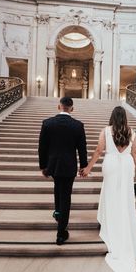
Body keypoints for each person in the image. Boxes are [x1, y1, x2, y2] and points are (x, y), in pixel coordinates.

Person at [81, 106, 136, 272]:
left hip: (112, 164)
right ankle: (123, 226)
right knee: (125, 198)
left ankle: (110, 225)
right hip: (127, 165)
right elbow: (135, 152)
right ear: (125, 117)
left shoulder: (106, 131)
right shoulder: (132, 132)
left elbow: (99, 151)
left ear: (112, 117)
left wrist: (88, 168)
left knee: (110, 195)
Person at [38, 97, 88, 245]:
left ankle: (58, 214)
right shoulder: (78, 126)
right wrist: (83, 166)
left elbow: (42, 147)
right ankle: (61, 232)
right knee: (65, 196)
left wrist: (43, 166)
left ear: (58, 106)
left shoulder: (47, 123)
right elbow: (82, 149)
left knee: (58, 189)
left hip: (53, 166)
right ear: (71, 109)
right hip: (69, 166)